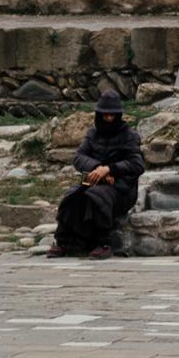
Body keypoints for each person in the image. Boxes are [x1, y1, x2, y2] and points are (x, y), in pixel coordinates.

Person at [54, 93, 149, 256]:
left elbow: (137, 164)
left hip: (121, 188)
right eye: (105, 114)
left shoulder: (129, 135)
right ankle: (65, 242)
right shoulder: (93, 134)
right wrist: (98, 168)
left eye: (112, 115)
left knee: (97, 197)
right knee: (72, 196)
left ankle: (103, 242)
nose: (109, 118)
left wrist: (110, 169)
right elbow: (79, 157)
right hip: (95, 180)